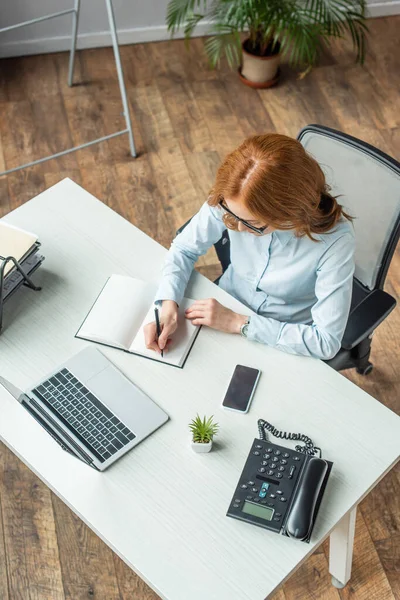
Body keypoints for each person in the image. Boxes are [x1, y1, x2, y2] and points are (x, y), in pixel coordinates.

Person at [144, 133, 355, 361]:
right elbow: (184, 249)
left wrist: (238, 322)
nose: (237, 228)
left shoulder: (336, 242)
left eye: (252, 224)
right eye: (230, 215)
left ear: (289, 212)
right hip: (224, 301)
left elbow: (326, 342)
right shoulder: (234, 197)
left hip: (283, 336)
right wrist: (168, 303)